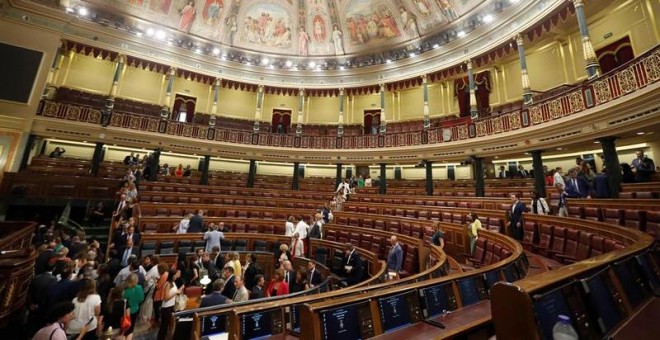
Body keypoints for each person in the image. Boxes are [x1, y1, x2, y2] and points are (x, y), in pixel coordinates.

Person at [157, 270, 184, 340]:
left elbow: (174, 291)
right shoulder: (168, 284)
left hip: (171, 306)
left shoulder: (173, 283)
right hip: (166, 307)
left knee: (168, 326)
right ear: (172, 275)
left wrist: (179, 290)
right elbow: (166, 298)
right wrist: (176, 292)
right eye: (175, 275)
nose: (176, 276)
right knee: (164, 327)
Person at [123, 273, 144, 340]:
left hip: (125, 312)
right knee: (131, 327)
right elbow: (141, 299)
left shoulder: (125, 291)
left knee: (124, 328)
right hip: (135, 309)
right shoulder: (139, 288)